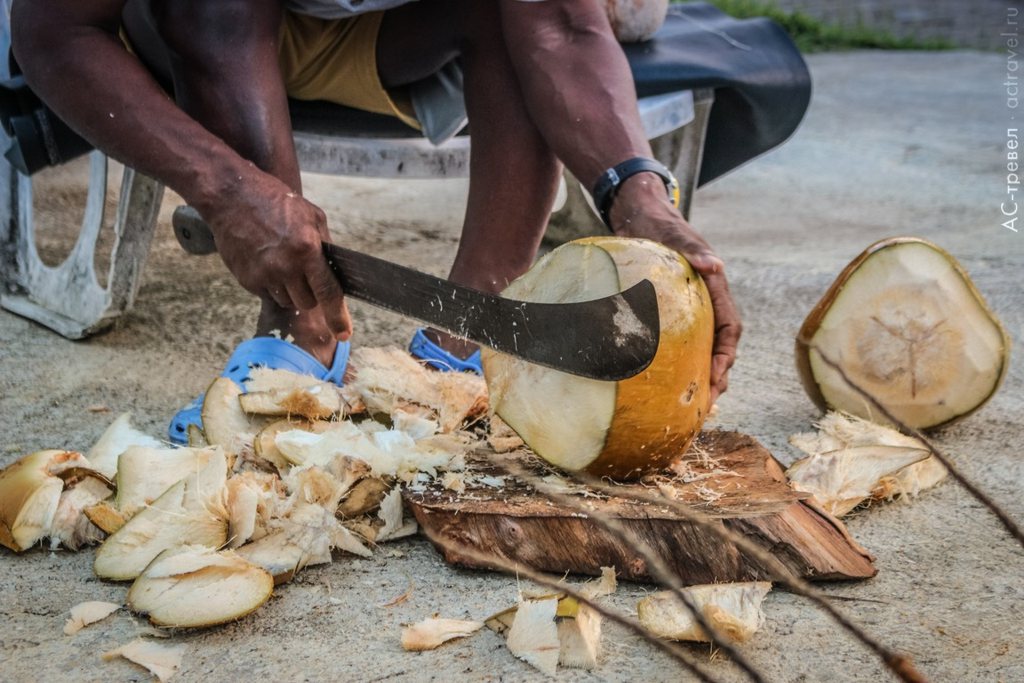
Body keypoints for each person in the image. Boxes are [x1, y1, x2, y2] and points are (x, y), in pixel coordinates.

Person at [11, 0, 741, 442]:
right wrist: (227, 191)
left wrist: (636, 193)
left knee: (512, 15)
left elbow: (559, 25)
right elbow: (54, 29)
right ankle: (297, 323)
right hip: (195, 30)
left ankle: (468, 336)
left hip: (394, 34)